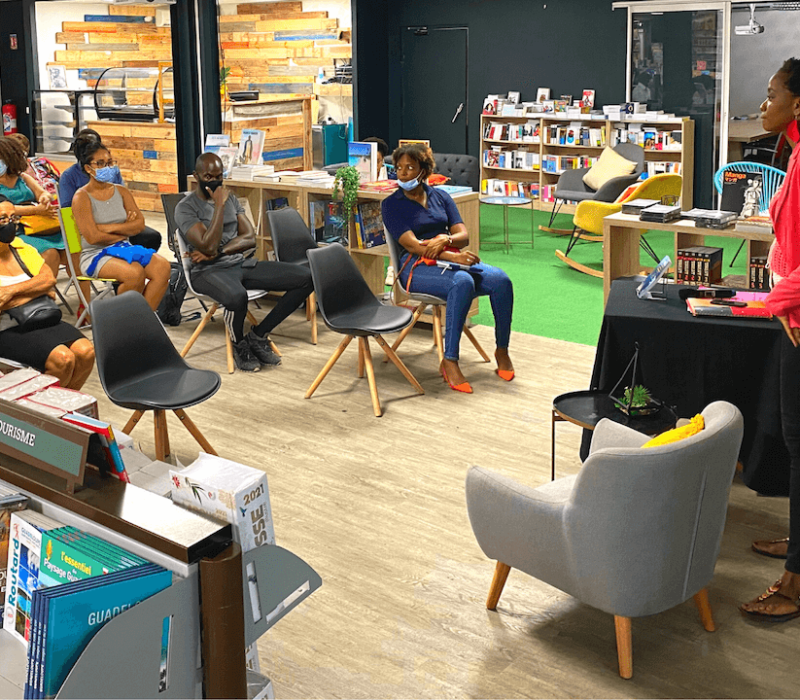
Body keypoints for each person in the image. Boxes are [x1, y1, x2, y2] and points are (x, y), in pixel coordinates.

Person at [740, 57, 800, 621]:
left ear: (798, 102)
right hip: (789, 316)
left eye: (772, 93)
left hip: (795, 317)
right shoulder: (795, 150)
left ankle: (796, 582)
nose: (764, 104)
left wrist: (773, 300)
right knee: (790, 436)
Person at [380, 143, 514, 393]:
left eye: (410, 168)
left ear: (424, 170)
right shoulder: (391, 204)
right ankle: (450, 360)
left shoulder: (441, 196)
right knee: (462, 281)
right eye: (399, 168)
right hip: (413, 268)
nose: (403, 174)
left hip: (448, 260)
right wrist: (453, 256)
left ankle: (502, 350)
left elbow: (463, 236)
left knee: (501, 281)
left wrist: (446, 239)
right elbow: (414, 246)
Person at [174, 153, 314, 372]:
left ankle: (258, 335)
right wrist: (218, 207)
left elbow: (249, 238)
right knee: (237, 296)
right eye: (208, 176)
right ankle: (238, 344)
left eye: (219, 176)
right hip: (206, 272)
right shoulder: (186, 208)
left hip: (239, 264)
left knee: (306, 278)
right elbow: (207, 245)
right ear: (196, 175)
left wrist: (219, 251)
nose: (214, 181)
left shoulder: (230, 199)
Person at [0, 195, 94, 389]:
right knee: (62, 359)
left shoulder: (21, 247)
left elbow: (48, 280)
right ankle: (42, 406)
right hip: (6, 330)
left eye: (13, 218)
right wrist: (35, 291)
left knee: (86, 352)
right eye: (3, 219)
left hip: (40, 318)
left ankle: (65, 402)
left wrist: (11, 292)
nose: (10, 224)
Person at [72, 142, 170, 311]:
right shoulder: (81, 197)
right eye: (100, 163)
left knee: (162, 267)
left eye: (110, 162)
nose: (107, 167)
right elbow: (93, 237)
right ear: (88, 168)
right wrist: (125, 229)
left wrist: (108, 228)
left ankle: (142, 319)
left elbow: (139, 225)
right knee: (134, 273)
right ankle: (123, 321)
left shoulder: (121, 192)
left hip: (123, 247)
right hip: (95, 254)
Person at [59, 129, 161, 252]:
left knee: (151, 238)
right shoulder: (69, 176)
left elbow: (128, 209)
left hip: (118, 221)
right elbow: (68, 214)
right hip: (89, 226)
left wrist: (114, 226)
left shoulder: (112, 172)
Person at [0, 136, 64, 279]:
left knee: (74, 248)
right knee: (50, 253)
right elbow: (5, 210)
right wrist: (36, 210)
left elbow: (42, 192)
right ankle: (43, 288)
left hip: (41, 225)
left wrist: (44, 198)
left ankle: (82, 291)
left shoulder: (23, 178)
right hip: (15, 230)